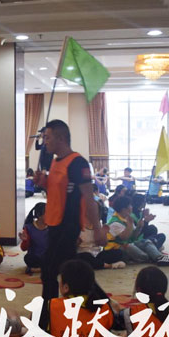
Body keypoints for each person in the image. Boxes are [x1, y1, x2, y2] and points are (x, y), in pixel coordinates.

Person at [34, 120, 104, 300]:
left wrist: (97, 228)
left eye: (47, 137)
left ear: (61, 138)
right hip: (53, 223)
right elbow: (57, 190)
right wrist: (42, 182)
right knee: (74, 271)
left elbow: (89, 198)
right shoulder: (55, 161)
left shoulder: (77, 163)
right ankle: (102, 302)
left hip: (68, 224)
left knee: (49, 270)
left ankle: (47, 312)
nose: (45, 142)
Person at [105, 196, 169, 266]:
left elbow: (134, 238)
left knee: (146, 242)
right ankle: (152, 256)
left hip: (130, 243)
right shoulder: (115, 222)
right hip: (117, 249)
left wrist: (139, 227)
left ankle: (159, 257)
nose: (131, 207)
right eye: (130, 205)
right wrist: (130, 225)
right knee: (135, 250)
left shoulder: (127, 218)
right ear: (124, 209)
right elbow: (124, 238)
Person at [20, 202, 48, 275]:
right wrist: (25, 240)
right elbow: (23, 248)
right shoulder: (29, 227)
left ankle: (35, 270)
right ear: (39, 215)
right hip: (35, 257)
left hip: (47, 256)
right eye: (47, 213)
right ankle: (43, 269)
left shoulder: (52, 227)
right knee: (28, 258)